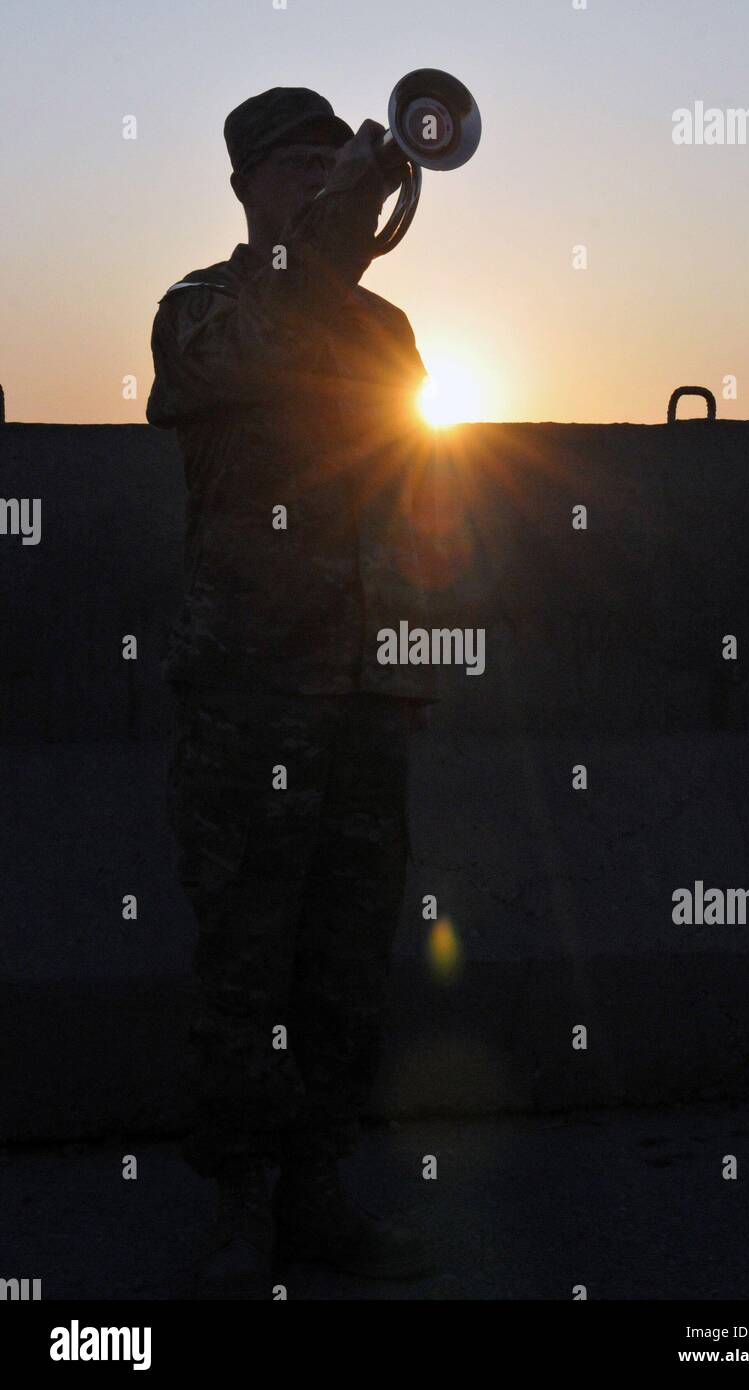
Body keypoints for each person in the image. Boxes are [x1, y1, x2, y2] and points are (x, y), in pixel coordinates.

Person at [146, 87, 437, 1297]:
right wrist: (323, 242)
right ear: (243, 190)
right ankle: (240, 1206)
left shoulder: (386, 327)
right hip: (251, 688)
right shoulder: (203, 308)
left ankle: (317, 1191)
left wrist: (417, 654)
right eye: (295, 171)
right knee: (247, 952)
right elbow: (256, 347)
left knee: (345, 956)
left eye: (335, 167)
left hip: (365, 690)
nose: (320, 187)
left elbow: (416, 493)